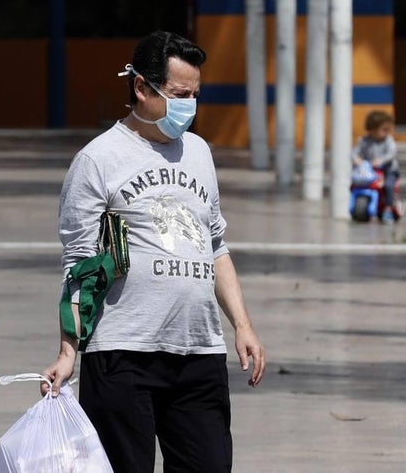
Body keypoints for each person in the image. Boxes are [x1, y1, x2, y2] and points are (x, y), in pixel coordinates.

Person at [42, 31, 265, 472]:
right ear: (142, 88)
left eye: (195, 94)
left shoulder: (199, 152)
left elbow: (216, 246)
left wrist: (242, 325)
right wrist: (69, 352)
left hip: (199, 352)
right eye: (180, 94)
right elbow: (80, 264)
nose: (190, 105)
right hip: (123, 353)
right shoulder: (98, 159)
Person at [351, 109, 399, 222]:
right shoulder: (364, 141)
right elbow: (355, 152)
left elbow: (391, 153)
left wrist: (382, 160)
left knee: (388, 185)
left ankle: (388, 208)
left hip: (387, 170)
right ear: (372, 129)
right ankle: (355, 204)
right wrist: (356, 159)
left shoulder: (388, 141)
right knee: (357, 182)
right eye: (384, 130)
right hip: (369, 169)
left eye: (388, 130)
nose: (387, 132)